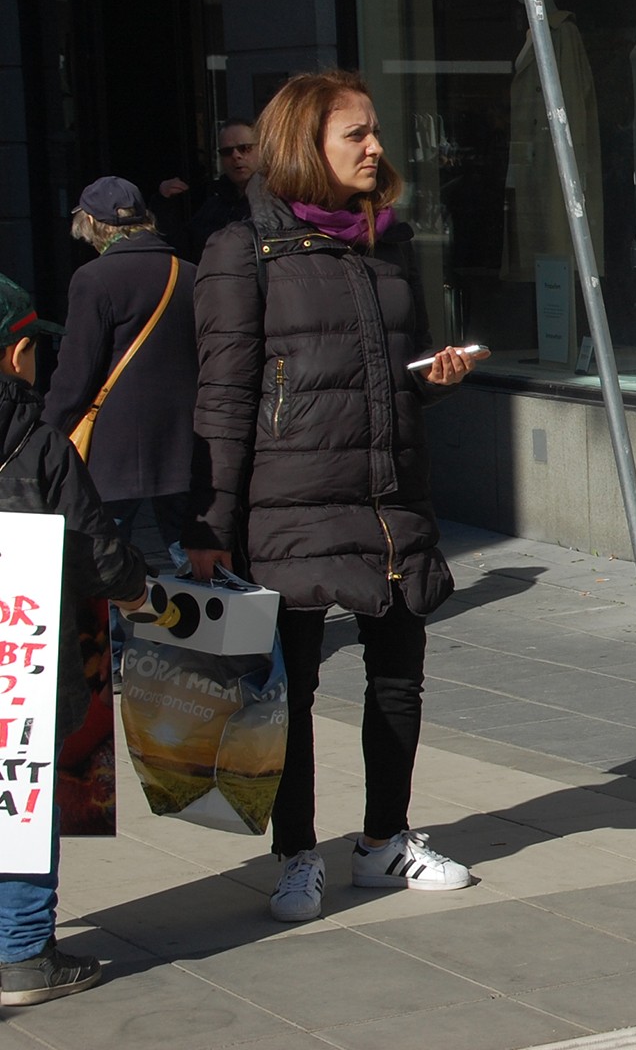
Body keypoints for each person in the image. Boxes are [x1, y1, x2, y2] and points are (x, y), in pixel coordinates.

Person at [183, 69, 486, 923]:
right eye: (356, 133)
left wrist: (436, 377)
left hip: (391, 499)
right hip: (290, 506)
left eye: (374, 131)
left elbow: (400, 368)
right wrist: (209, 522)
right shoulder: (241, 249)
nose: (376, 147)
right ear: (304, 146)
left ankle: (384, 842)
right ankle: (295, 856)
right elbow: (222, 396)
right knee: (296, 692)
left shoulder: (384, 244)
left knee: (399, 678)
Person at [0, 274, 152, 1005]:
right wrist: (140, 595)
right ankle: (22, 954)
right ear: (17, 355)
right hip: (21, 664)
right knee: (19, 791)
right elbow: (98, 554)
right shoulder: (36, 444)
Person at [43, 178, 198, 677]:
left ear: (90, 223)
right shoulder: (189, 272)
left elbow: (76, 371)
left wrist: (47, 430)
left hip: (113, 448)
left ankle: (107, 658)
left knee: (105, 554)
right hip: (185, 440)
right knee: (189, 549)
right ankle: (200, 650)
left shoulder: (94, 279)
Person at [169, 121, 258, 263]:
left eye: (245, 148)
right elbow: (182, 248)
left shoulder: (280, 200)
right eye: (227, 152)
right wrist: (165, 202)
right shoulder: (213, 206)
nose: (236, 156)